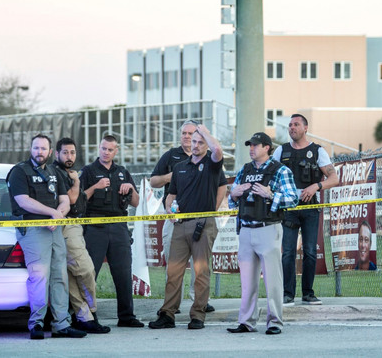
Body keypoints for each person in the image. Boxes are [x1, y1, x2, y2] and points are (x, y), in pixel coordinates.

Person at [6, 134, 87, 339]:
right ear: (30, 149)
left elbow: (65, 200)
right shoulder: (19, 171)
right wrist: (51, 213)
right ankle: (36, 324)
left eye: (43, 149)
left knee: (60, 276)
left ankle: (61, 325)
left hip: (55, 229)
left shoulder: (53, 172)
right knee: (39, 277)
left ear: (50, 152)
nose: (39, 152)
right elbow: (23, 201)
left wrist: (58, 214)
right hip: (33, 229)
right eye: (36, 148)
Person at [148, 124, 223, 330]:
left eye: (200, 142)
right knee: (173, 271)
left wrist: (205, 132)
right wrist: (169, 209)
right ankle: (167, 314)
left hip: (203, 224)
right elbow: (171, 194)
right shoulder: (180, 166)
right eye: (194, 141)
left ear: (205, 144)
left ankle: (198, 315)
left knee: (200, 272)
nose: (196, 145)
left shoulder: (212, 164)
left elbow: (217, 151)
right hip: (180, 225)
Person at [227, 132, 298, 335]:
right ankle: (247, 322)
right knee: (247, 281)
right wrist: (234, 193)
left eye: (256, 145)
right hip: (247, 229)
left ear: (267, 147)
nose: (251, 148)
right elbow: (233, 199)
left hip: (268, 228)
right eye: (250, 145)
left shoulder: (280, 170)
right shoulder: (245, 170)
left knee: (273, 280)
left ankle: (275, 321)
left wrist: (271, 195)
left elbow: (293, 199)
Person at [273, 114, 339, 306]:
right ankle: (287, 294)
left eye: (296, 124)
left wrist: (315, 186)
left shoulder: (317, 151)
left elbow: (334, 178)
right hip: (288, 208)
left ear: (305, 128)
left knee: (310, 251)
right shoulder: (281, 151)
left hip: (310, 208)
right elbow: (271, 175)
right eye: (290, 125)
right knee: (287, 253)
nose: (292, 128)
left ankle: (308, 294)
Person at [80, 135, 144, 328]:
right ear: (98, 148)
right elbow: (79, 199)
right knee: (90, 274)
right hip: (94, 227)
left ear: (116, 151)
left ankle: (127, 316)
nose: (106, 152)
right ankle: (88, 316)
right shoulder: (88, 172)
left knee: (123, 273)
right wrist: (96, 186)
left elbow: (136, 202)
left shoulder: (122, 172)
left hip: (118, 227)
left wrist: (131, 188)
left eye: (110, 149)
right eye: (103, 148)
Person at [52, 137, 110, 333]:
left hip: (75, 226)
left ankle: (83, 317)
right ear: (56, 153)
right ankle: (92, 312)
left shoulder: (67, 172)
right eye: (65, 152)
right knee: (85, 270)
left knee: (72, 276)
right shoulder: (58, 173)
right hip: (67, 226)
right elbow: (72, 198)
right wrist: (76, 181)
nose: (69, 156)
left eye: (73, 152)